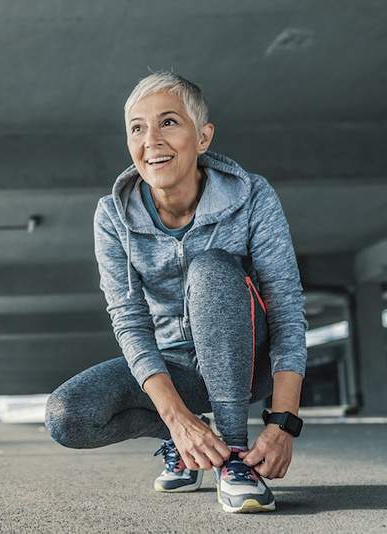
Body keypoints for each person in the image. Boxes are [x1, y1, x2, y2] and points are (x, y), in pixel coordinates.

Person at [44, 71, 307, 513]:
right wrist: (178, 420)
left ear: (203, 137)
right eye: (137, 127)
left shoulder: (252, 196)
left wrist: (283, 423)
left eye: (168, 122)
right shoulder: (113, 215)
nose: (151, 140)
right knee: (67, 417)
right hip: (173, 370)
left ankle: (236, 459)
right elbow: (129, 319)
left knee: (209, 269)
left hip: (245, 361)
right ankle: (188, 443)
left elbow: (285, 308)